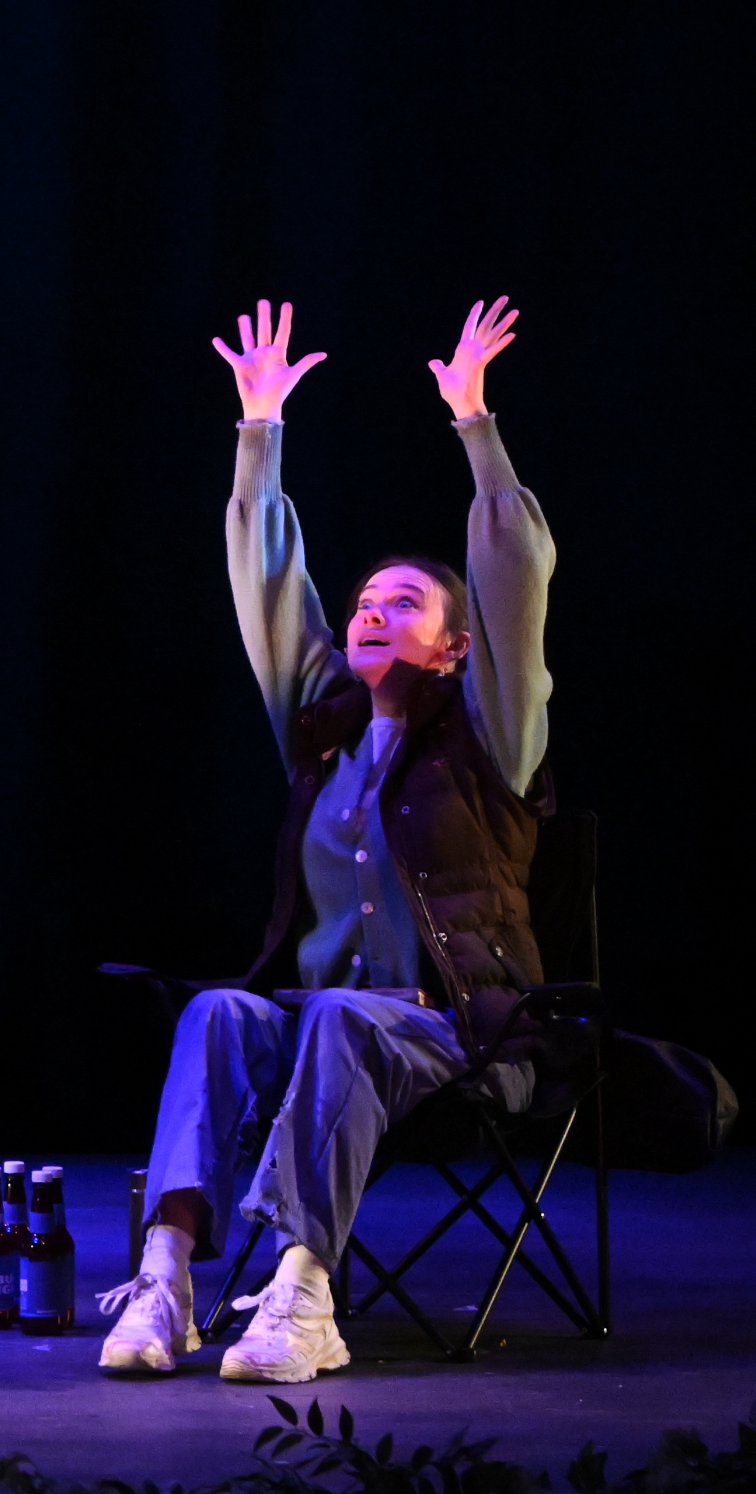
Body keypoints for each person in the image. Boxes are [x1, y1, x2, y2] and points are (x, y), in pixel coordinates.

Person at [98, 297, 554, 1385]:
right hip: (315, 1027)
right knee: (214, 1010)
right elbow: (269, 591)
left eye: (402, 603)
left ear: (451, 651)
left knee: (344, 1017)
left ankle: (304, 1293)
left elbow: (512, 584)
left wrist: (474, 426)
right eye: (362, 601)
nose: (368, 611)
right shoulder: (321, 734)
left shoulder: (491, 738)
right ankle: (167, 1281)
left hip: (452, 1033)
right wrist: (259, 428)